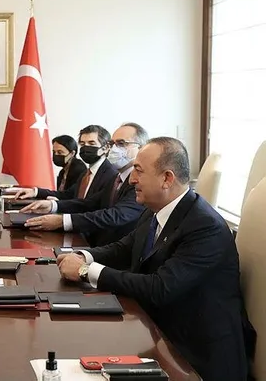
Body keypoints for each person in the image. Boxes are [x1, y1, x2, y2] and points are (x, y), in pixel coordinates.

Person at [56, 137, 255, 381]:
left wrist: (85, 271)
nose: (131, 179)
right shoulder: (156, 209)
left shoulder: (205, 227)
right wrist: (81, 255)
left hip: (196, 355)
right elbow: (123, 248)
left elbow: (159, 287)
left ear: (167, 178)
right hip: (159, 333)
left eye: (138, 171)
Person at [21, 123, 148, 247]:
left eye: (121, 143)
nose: (114, 148)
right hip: (98, 246)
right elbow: (90, 202)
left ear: (142, 149)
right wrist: (52, 206)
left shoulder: (140, 181)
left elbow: (116, 215)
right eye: (112, 144)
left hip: (116, 251)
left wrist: (62, 221)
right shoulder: (117, 178)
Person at [14, 125, 116, 201]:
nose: (85, 147)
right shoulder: (87, 174)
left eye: (91, 143)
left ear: (106, 148)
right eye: (82, 144)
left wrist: (57, 208)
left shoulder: (111, 174)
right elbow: (68, 194)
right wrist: (35, 192)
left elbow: (91, 207)